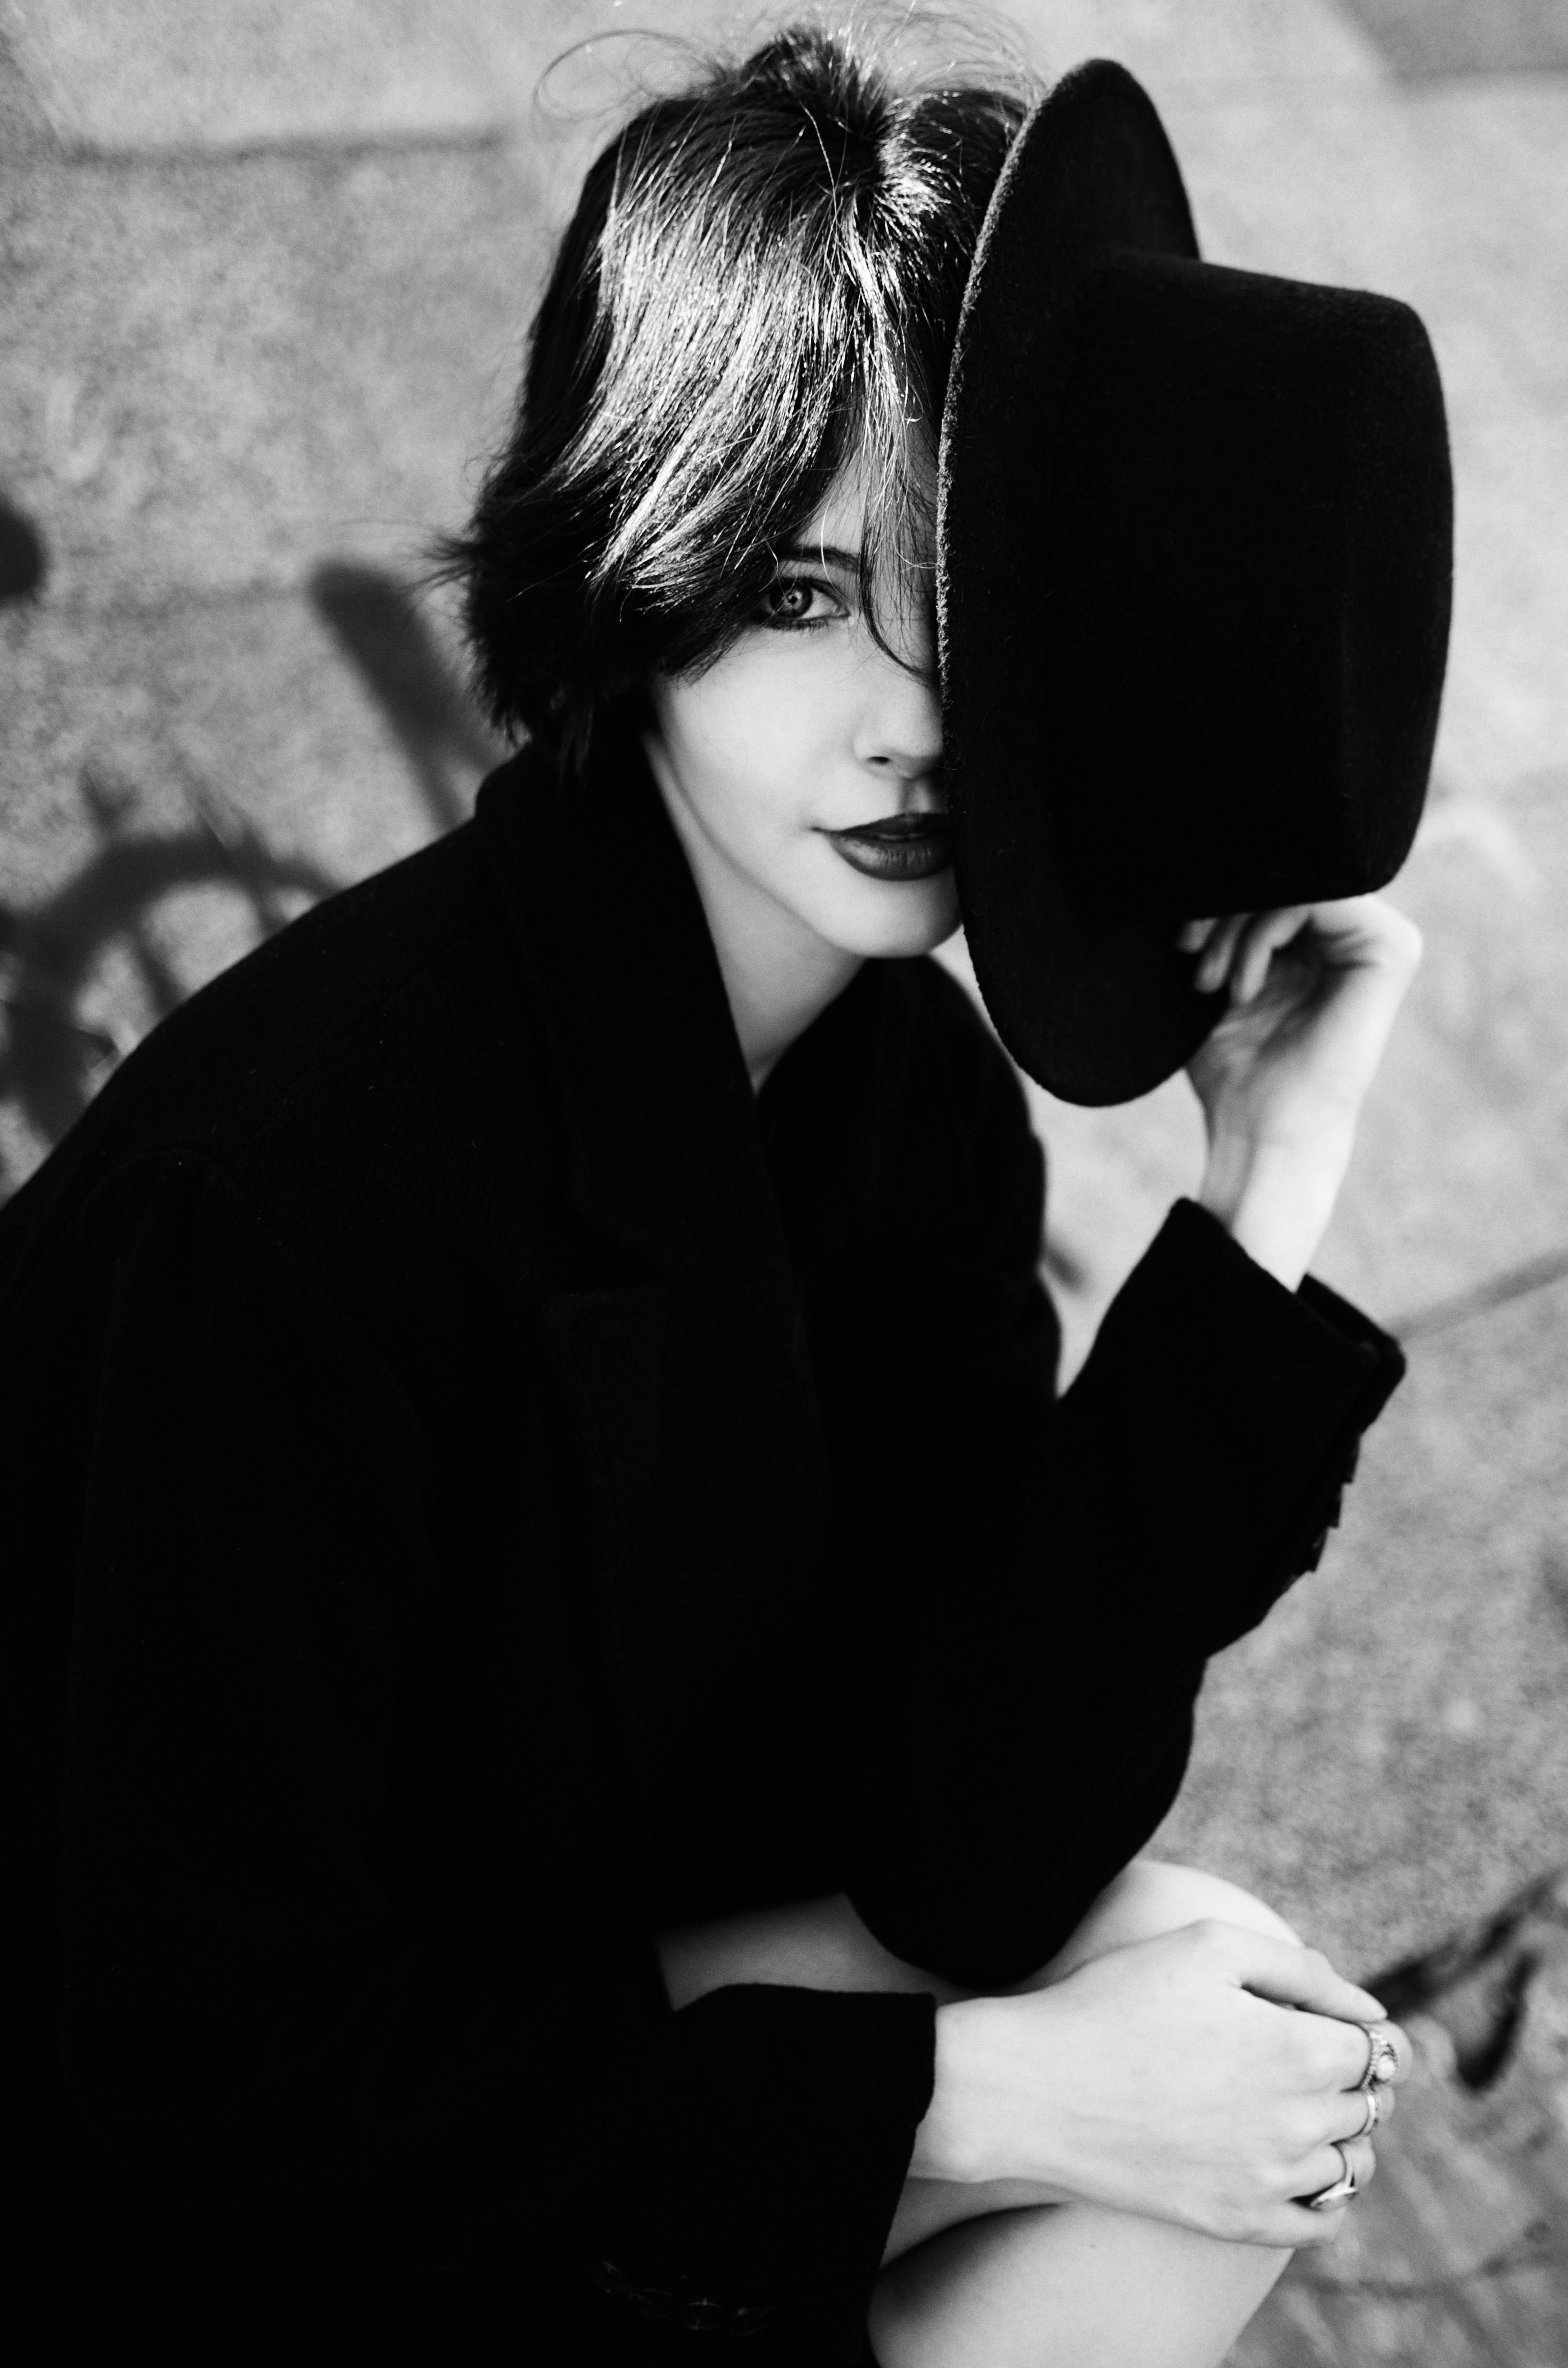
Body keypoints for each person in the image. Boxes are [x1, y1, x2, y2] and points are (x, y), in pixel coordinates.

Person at [0, 23, 1422, 2368]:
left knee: (1229, 2000)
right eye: (796, 591)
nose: (910, 716)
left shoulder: (908, 1106)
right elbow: (209, 2060)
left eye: (972, 599)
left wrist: (1257, 1192)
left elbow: (965, 1836)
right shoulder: (295, 1195)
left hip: (580, 2041)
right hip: (183, 2214)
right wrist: (972, 2102)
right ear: (631, 565)